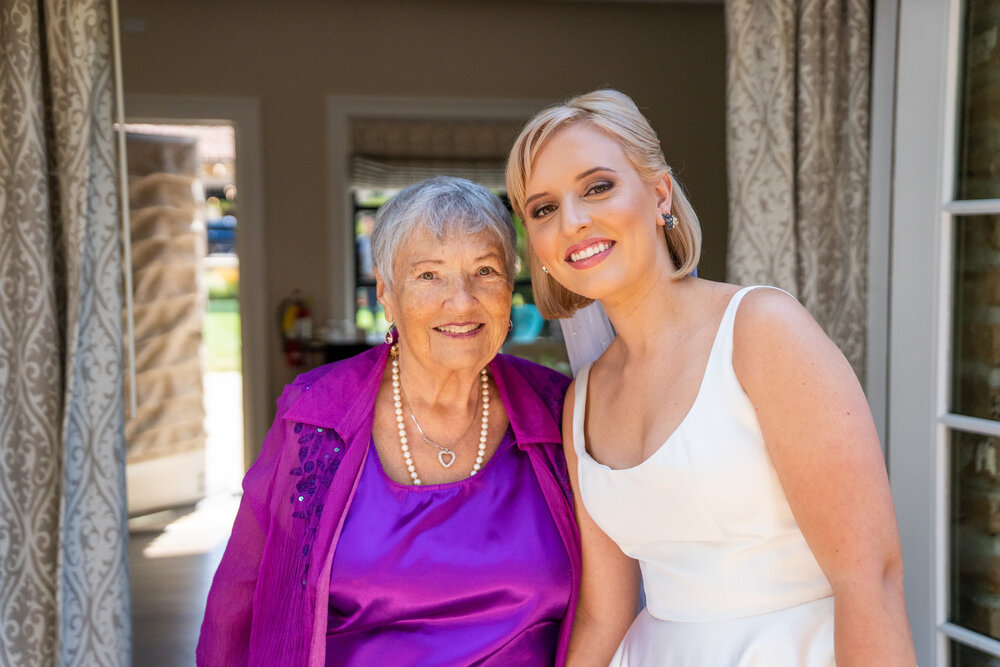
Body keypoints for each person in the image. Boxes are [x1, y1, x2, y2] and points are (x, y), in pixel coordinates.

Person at [505, 90, 915, 666]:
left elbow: (870, 577)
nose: (573, 221)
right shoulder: (582, 401)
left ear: (659, 194)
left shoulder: (761, 330)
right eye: (543, 209)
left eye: (597, 187)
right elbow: (605, 614)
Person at [197, 176, 581, 666]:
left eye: (485, 271)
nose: (461, 300)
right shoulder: (317, 414)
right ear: (385, 290)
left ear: (511, 288)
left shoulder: (558, 410)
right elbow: (240, 598)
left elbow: (612, 598)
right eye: (429, 275)